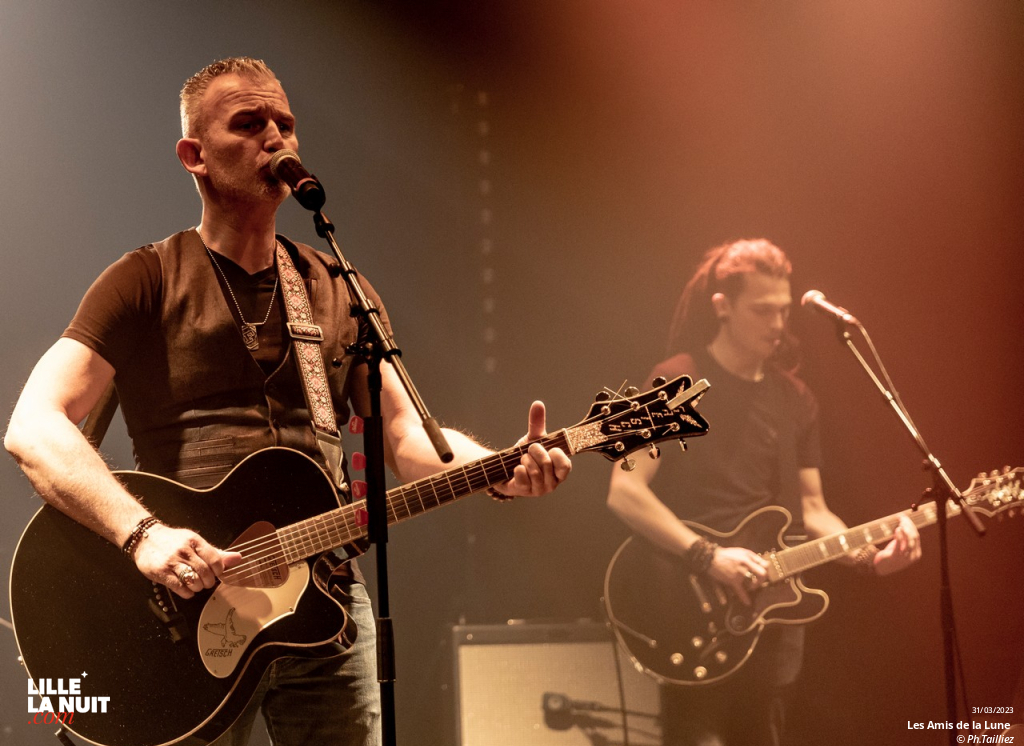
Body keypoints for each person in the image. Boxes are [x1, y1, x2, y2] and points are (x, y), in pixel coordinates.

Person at [4, 57, 571, 745]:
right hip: (184, 605)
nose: (276, 138)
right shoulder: (145, 279)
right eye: (248, 124)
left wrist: (500, 467)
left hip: (323, 599)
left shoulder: (335, 284)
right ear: (195, 155)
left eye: (285, 123)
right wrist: (143, 535)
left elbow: (405, 434)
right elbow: (33, 425)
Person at [605, 238, 920, 746]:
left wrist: (871, 559)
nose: (777, 324)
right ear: (722, 307)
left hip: (773, 618)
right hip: (690, 606)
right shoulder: (673, 380)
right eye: (762, 311)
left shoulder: (795, 398)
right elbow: (624, 491)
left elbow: (815, 511)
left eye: (782, 311)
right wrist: (709, 557)